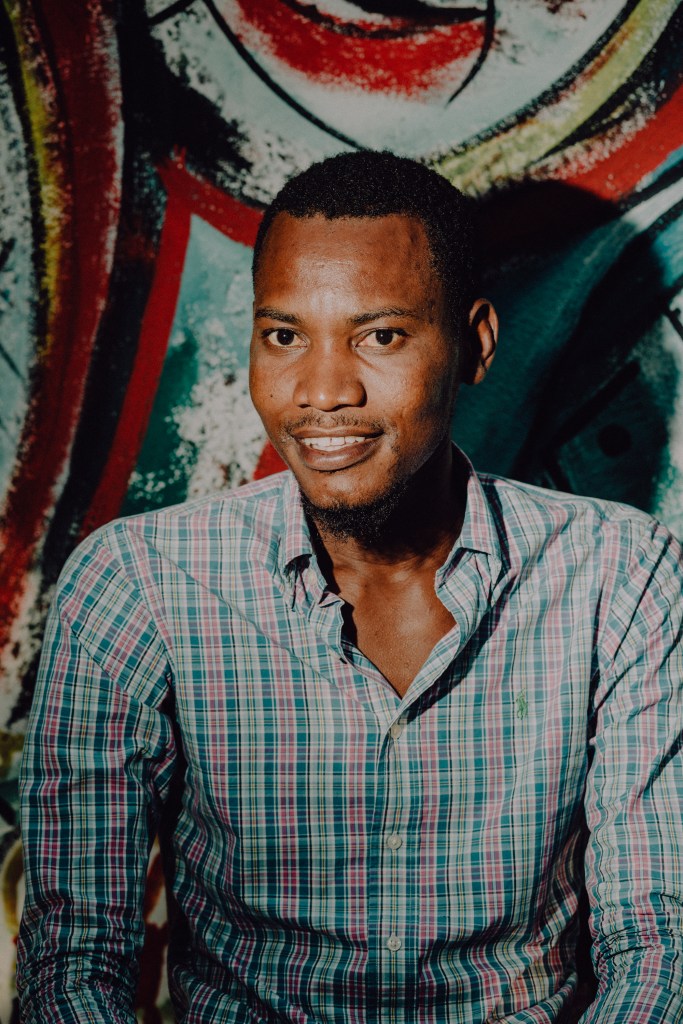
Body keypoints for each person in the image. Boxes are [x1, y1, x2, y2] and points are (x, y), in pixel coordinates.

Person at [17, 151, 683, 1024]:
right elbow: (74, 958)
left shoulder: (618, 574)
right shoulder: (137, 584)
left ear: (475, 344)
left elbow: (657, 940)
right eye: (284, 336)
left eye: (381, 336)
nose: (322, 391)